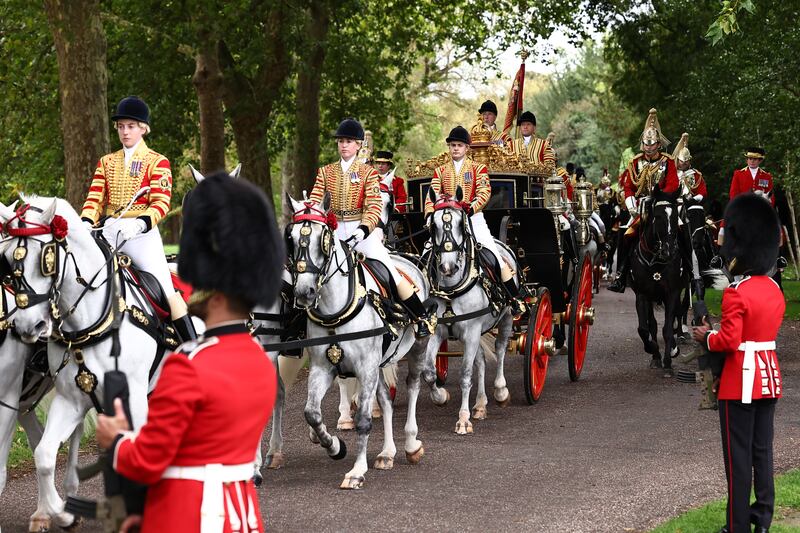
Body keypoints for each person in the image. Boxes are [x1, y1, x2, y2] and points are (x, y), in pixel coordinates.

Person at [96, 172, 283, 533]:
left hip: (189, 517)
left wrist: (116, 441)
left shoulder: (189, 365)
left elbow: (148, 461)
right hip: (243, 516)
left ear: (213, 294)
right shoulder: (260, 362)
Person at [692, 193, 784, 533]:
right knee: (763, 452)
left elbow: (729, 341)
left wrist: (707, 337)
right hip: (769, 378)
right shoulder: (774, 289)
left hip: (740, 382)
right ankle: (762, 520)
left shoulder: (737, 292)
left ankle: (736, 526)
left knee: (738, 459)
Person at [80, 96, 196, 342]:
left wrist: (141, 222)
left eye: (130, 126)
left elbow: (161, 202)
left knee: (167, 290)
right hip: (108, 229)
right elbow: (94, 200)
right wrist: (86, 222)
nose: (124, 131)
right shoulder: (106, 162)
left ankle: (193, 349)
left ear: (143, 128)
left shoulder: (157, 161)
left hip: (140, 234)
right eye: (121, 126)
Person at [309, 118, 434, 337]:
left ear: (358, 145)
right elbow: (316, 201)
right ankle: (296, 326)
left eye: (349, 141)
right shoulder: (325, 172)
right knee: (307, 270)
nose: (344, 145)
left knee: (391, 272)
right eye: (341, 141)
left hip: (362, 234)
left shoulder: (368, 174)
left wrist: (362, 230)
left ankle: (420, 317)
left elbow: (375, 206)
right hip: (333, 232)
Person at [424, 125, 524, 314]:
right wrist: (430, 214)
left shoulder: (478, 168)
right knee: (426, 253)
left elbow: (485, 192)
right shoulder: (440, 171)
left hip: (473, 219)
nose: (455, 148)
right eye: (452, 145)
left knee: (494, 256)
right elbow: (432, 194)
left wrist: (471, 207)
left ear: (467, 148)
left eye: (459, 145)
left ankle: (513, 298)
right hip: (447, 221)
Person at [608, 108, 679, 293]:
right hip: (641, 206)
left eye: (652, 144)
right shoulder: (635, 162)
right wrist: (631, 204)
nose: (648, 148)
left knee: (682, 230)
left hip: (663, 204)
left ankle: (691, 271)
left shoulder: (668, 161)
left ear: (658, 144)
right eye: (646, 145)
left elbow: (673, 184)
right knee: (626, 235)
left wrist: (662, 198)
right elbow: (630, 186)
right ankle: (621, 275)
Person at [673, 132, 709, 298]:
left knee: (706, 231)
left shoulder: (696, 174)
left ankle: (711, 259)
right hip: (675, 205)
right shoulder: (672, 175)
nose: (683, 164)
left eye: (686, 162)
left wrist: (694, 198)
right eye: (681, 161)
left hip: (692, 205)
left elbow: (703, 191)